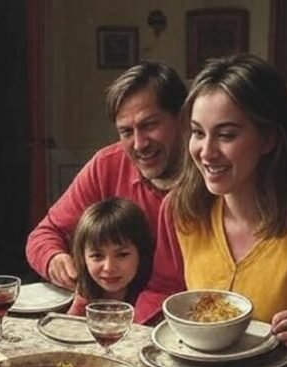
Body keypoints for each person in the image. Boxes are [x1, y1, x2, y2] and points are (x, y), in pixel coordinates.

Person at [137, 54, 287, 367]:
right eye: (197, 132)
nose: (206, 152)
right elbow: (164, 292)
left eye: (226, 135)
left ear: (268, 139)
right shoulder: (182, 210)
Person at [25, 61, 186, 311]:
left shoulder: (212, 175)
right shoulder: (107, 165)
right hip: (111, 319)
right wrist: (55, 259)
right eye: (126, 131)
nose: (139, 144)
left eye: (149, 125)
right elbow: (45, 234)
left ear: (182, 119)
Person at [67, 197, 153, 316]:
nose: (109, 268)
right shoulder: (81, 293)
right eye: (97, 256)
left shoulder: (152, 299)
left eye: (122, 255)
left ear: (141, 253)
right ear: (83, 257)